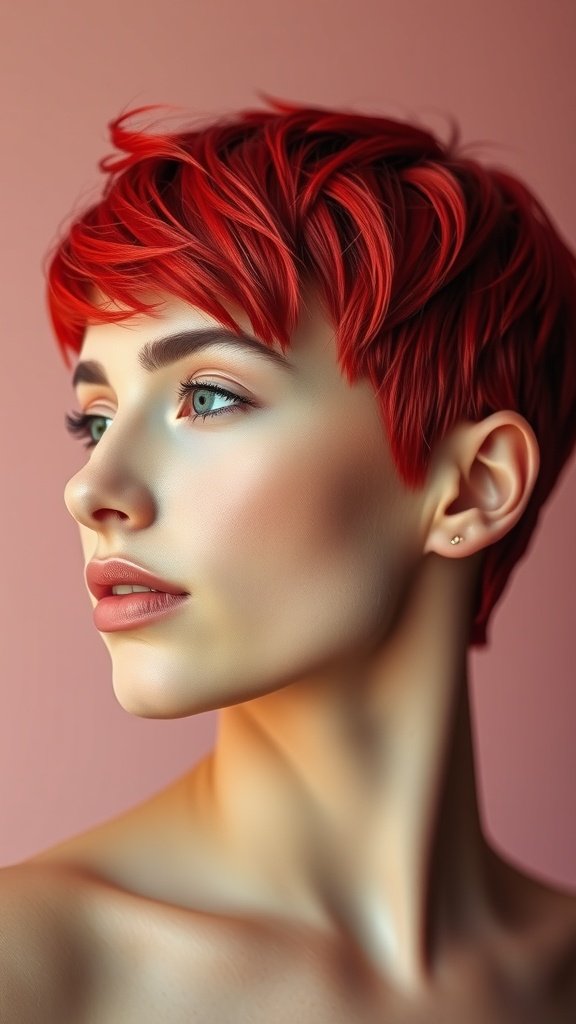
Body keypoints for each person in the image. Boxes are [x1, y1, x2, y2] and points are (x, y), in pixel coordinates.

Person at [2, 95, 576, 1021]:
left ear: (471, 488)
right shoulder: (38, 969)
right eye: (95, 420)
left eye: (211, 398)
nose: (93, 488)